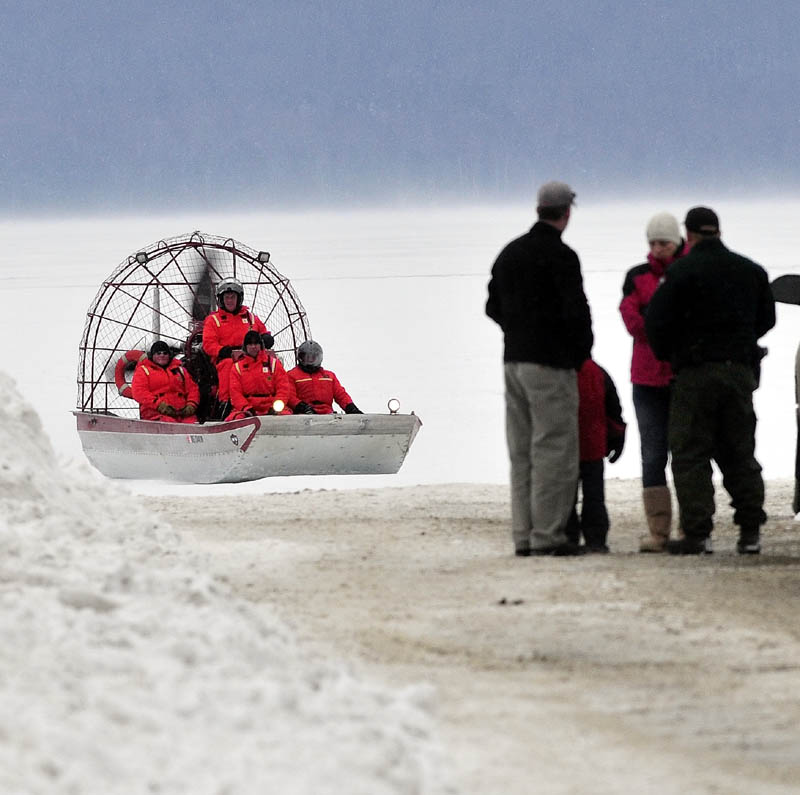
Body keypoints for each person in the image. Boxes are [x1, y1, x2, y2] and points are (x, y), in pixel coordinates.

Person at [645, 206, 776, 555]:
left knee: (690, 453)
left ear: (688, 235)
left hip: (695, 372)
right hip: (738, 372)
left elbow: (655, 323)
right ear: (718, 230)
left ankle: (698, 533)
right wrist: (738, 340)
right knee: (740, 452)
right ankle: (750, 531)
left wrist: (673, 353)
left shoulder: (682, 273)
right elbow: (767, 320)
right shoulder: (751, 271)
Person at [485, 180, 593, 557]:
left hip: (513, 361)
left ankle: (523, 535)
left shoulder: (510, 253)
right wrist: (579, 354)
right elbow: (576, 314)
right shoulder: (562, 257)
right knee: (554, 450)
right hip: (551, 364)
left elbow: (492, 306)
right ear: (566, 212)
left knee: (522, 452)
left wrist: (517, 330)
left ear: (538, 209)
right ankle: (548, 535)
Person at [619, 212, 688, 552]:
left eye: (664, 243)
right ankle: (659, 530)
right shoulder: (638, 276)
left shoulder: (687, 273)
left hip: (680, 376)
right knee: (652, 454)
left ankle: (690, 527)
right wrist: (661, 326)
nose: (658, 249)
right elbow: (631, 319)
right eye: (653, 243)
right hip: (646, 380)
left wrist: (655, 322)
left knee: (688, 452)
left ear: (676, 243)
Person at [565, 359, 626, 553]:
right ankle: (596, 539)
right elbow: (613, 408)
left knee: (566, 496)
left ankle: (568, 536)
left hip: (564, 448)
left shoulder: (558, 372)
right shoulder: (597, 372)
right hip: (593, 445)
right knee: (594, 497)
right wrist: (617, 436)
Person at [202, 277, 268, 412]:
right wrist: (223, 351)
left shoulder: (250, 318)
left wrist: (266, 338)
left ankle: (268, 398)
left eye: (233, 297)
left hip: (252, 355)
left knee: (270, 365)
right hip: (227, 357)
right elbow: (208, 344)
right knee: (229, 366)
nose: (230, 301)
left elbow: (263, 331)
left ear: (239, 298)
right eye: (227, 297)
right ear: (221, 300)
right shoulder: (213, 320)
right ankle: (226, 403)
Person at [227, 330, 292, 419]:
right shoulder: (237, 368)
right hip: (247, 409)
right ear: (245, 347)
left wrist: (275, 406)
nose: (253, 347)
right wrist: (246, 408)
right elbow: (235, 393)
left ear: (261, 345)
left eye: (256, 343)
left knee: (287, 418)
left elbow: (283, 388)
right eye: (250, 344)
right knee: (237, 418)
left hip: (272, 406)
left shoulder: (273, 364)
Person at [287, 340, 363, 415]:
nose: (310, 361)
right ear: (300, 358)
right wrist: (301, 406)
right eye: (307, 358)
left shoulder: (329, 376)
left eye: (313, 358)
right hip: (304, 415)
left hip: (327, 414)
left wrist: (350, 407)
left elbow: (341, 395)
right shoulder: (292, 375)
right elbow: (290, 396)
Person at [131, 340, 200, 423]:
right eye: (158, 353)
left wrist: (191, 405)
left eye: (165, 353)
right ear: (152, 356)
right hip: (155, 413)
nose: (162, 355)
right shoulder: (143, 371)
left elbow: (193, 389)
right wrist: (159, 405)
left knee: (193, 426)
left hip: (182, 413)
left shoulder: (180, 370)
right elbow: (139, 392)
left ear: (169, 355)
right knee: (170, 426)